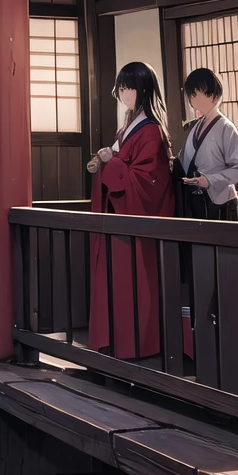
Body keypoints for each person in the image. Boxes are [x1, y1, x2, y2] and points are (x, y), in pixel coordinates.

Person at [88, 62, 174, 360]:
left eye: (129, 88)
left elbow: (145, 181)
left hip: (136, 223)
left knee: (134, 286)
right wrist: (108, 160)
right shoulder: (128, 125)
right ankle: (116, 344)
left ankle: (135, 346)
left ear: (144, 90)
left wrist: (110, 162)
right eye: (121, 88)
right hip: (119, 219)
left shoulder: (150, 132)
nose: (123, 94)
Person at [176, 67, 238, 220]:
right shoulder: (196, 126)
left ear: (214, 96)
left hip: (220, 200)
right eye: (192, 94)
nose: (194, 99)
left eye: (199, 94)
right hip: (195, 200)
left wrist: (209, 180)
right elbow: (184, 160)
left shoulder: (225, 127)